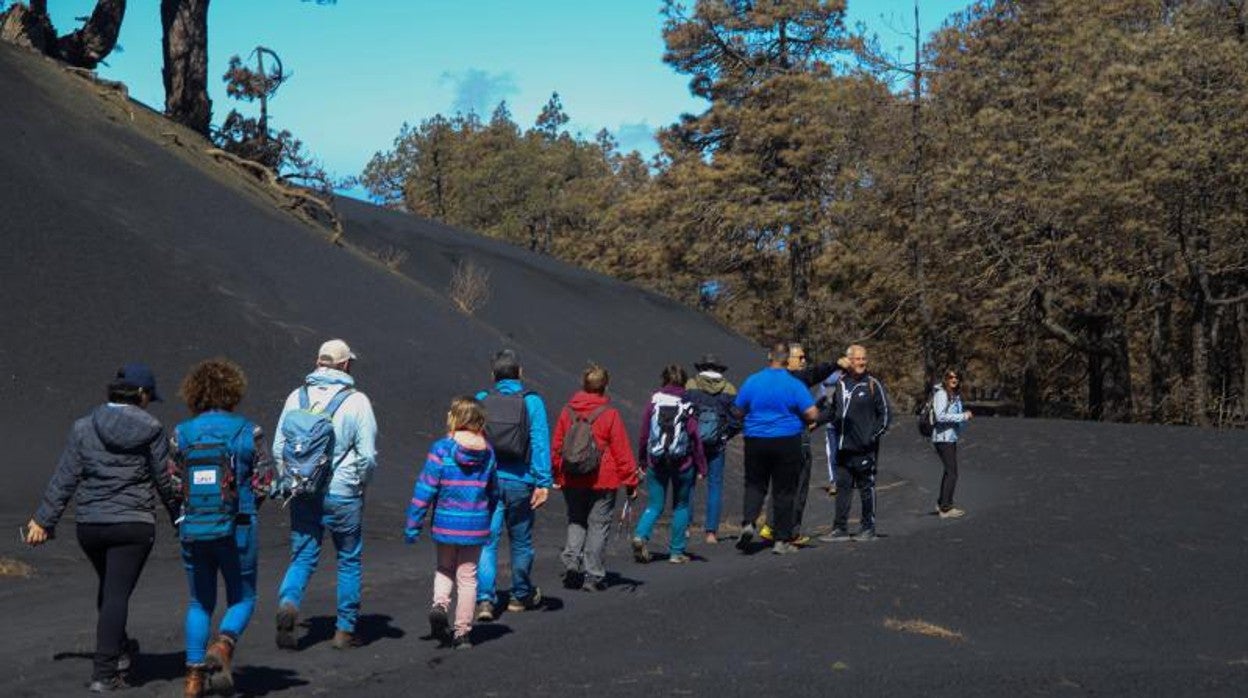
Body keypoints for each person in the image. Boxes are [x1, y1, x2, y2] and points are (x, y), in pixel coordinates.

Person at [23, 363, 178, 693]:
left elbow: (66, 476)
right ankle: (106, 672)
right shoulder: (152, 428)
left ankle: (118, 649)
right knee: (117, 594)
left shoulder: (83, 427)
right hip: (133, 524)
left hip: (91, 526)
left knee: (111, 590)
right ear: (141, 394)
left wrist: (43, 520)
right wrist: (180, 517)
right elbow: (165, 480)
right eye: (149, 396)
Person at [171, 358, 275, 697]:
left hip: (194, 528)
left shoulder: (182, 434)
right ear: (233, 391)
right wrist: (246, 505)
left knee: (199, 602)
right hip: (239, 527)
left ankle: (193, 679)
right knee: (243, 596)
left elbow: (173, 482)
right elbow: (265, 479)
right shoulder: (248, 430)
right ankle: (225, 644)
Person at [273, 339, 378, 650]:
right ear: (346, 365)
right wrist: (361, 484)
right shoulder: (357, 401)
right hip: (343, 493)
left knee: (303, 555)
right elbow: (368, 455)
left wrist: (292, 479)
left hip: (303, 491)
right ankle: (344, 630)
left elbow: (280, 447)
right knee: (348, 559)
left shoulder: (297, 397)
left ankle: (289, 603)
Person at [405, 397, 497, 650]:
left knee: (445, 568)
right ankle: (462, 633)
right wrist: (488, 512)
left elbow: (426, 488)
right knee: (468, 578)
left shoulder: (442, 449)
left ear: (454, 418)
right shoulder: (488, 452)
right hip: (476, 523)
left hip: (446, 522)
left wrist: (414, 523)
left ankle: (439, 605)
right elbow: (494, 490)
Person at [474, 349, 552, 621]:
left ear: (493, 375)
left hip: (488, 480)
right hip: (522, 481)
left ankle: (485, 599)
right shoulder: (532, 402)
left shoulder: (482, 400)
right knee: (520, 540)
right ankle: (520, 595)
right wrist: (544, 482)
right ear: (520, 373)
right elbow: (540, 442)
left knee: (487, 540)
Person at [551, 364, 639, 590]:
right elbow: (621, 450)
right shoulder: (609, 414)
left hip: (572, 476)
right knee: (598, 525)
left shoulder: (568, 411)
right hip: (603, 478)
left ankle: (572, 564)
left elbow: (558, 446)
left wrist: (557, 473)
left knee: (576, 520)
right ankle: (593, 574)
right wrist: (631, 481)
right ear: (605, 386)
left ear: (583, 384)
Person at [733, 344, 820, 554]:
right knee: (784, 489)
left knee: (754, 484)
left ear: (769, 356)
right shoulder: (793, 384)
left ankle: (748, 522)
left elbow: (737, 410)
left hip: (756, 438)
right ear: (786, 359)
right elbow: (812, 413)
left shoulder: (752, 381)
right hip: (786, 439)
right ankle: (781, 540)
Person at [633, 365, 707, 563]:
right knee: (681, 506)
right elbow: (695, 438)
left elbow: (643, 435)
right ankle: (676, 552)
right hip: (683, 463)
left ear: (663, 380)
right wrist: (702, 467)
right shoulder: (687, 404)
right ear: (684, 382)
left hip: (656, 461)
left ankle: (640, 535)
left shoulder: (654, 403)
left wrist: (642, 460)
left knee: (655, 505)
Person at [821, 344, 892, 542]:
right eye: (857, 359)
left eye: (864, 359)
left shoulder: (873, 384)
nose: (861, 362)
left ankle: (868, 527)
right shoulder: (841, 383)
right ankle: (839, 528)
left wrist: (872, 436)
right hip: (843, 448)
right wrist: (815, 419)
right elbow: (834, 411)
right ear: (848, 361)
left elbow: (885, 415)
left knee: (866, 487)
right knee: (842, 488)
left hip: (865, 449)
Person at [684, 353, 741, 544]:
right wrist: (725, 435)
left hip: (693, 442)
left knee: (689, 484)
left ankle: (685, 528)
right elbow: (737, 419)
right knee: (715, 486)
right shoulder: (729, 388)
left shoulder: (691, 385)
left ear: (701, 368)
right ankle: (711, 533)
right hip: (717, 444)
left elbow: (683, 412)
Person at [931, 369, 973, 518]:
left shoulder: (953, 394)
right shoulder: (942, 394)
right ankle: (946, 508)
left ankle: (942, 502)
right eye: (950, 377)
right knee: (952, 473)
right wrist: (962, 416)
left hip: (949, 437)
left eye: (957, 377)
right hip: (943, 438)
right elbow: (940, 416)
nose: (954, 379)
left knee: (949, 471)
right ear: (945, 378)